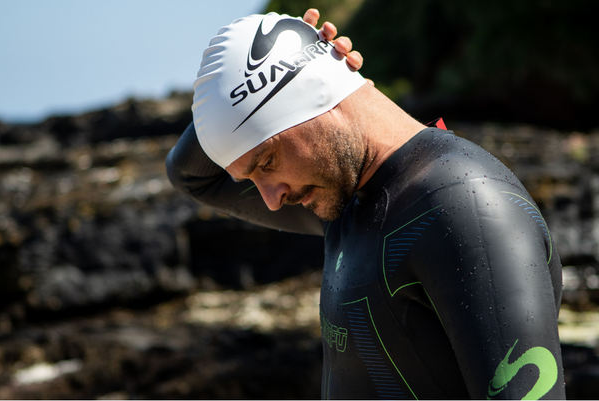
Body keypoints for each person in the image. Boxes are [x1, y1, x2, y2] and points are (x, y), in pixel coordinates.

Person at [167, 9, 565, 400]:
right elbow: (191, 175)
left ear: (316, 96)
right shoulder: (346, 205)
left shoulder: (464, 208)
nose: (271, 200)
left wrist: (296, 67)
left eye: (267, 162)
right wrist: (226, 102)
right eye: (250, 178)